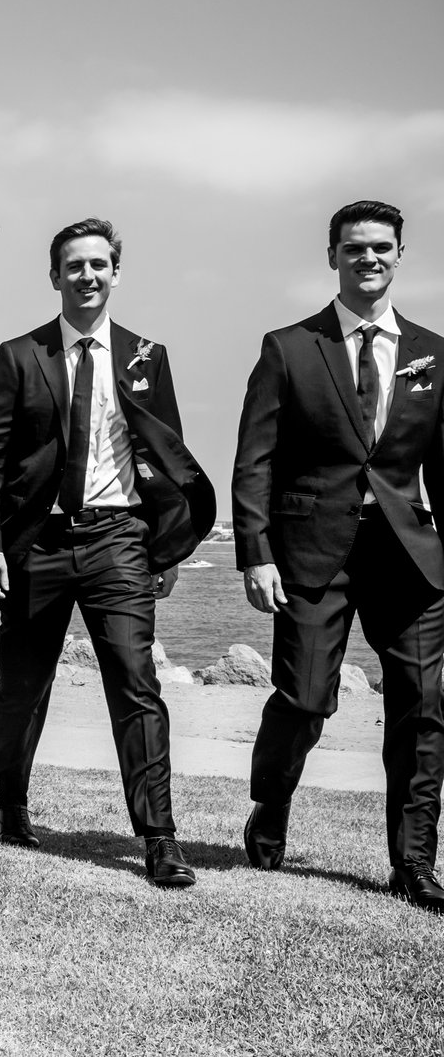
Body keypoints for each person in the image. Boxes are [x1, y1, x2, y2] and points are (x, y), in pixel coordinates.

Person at [0, 218, 214, 887]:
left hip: (119, 540)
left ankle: (159, 836)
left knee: (137, 683)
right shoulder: (19, 354)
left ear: (116, 272)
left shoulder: (147, 355)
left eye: (99, 264)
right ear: (55, 275)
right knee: (22, 687)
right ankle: (11, 801)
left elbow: (168, 457)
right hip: (38, 544)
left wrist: (167, 548)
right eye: (74, 265)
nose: (87, 275)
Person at [233, 199, 444, 913]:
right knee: (305, 699)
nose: (369, 258)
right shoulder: (289, 347)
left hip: (410, 557)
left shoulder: (434, 353)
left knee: (423, 705)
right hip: (310, 551)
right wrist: (255, 553)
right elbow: (255, 460)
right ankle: (272, 802)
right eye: (355, 248)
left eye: (382, 247)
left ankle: (413, 862)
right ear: (333, 257)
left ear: (400, 255)